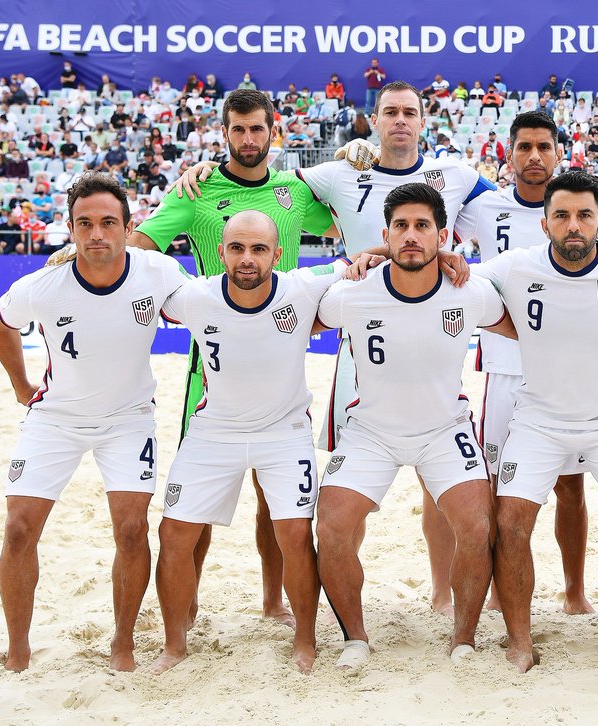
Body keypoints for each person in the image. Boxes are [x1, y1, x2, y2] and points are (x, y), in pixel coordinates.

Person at [172, 80, 495, 616]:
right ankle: (343, 603)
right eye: (389, 112)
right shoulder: (339, 171)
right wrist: (201, 172)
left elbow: (514, 208)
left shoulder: (456, 174)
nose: (399, 121)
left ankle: (442, 592)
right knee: (346, 493)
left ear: (423, 119)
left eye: (409, 113)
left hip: (433, 336)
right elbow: (263, 183)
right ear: (376, 117)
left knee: (439, 479)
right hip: (360, 340)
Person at [123, 89, 337, 629]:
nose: (247, 139)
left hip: (282, 360)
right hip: (211, 366)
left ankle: (273, 603)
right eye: (237, 130)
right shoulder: (196, 193)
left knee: (277, 501)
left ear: (274, 132)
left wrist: (351, 161)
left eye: (256, 129)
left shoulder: (292, 190)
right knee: (194, 505)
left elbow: (343, 221)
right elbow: (138, 247)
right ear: (224, 133)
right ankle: (187, 609)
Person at [0, 173, 188, 672]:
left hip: (128, 419)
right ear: (71, 228)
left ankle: (123, 644)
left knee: (130, 530)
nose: (96, 234)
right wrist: (20, 384)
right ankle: (17, 650)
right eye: (85, 224)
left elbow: (208, 313)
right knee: (17, 530)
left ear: (127, 226)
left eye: (107, 223)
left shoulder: (157, 273)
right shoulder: (45, 285)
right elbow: (0, 319)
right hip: (56, 417)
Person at [477, 171, 598, 681]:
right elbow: (448, 275)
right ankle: (520, 642)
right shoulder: (513, 266)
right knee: (510, 524)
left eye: (584, 215)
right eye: (562, 216)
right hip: (537, 420)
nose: (574, 226)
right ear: (544, 223)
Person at [316, 184, 515, 669]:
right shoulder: (352, 294)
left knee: (477, 525)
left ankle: (463, 639)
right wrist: (357, 260)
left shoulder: (469, 291)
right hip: (372, 431)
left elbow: (523, 325)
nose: (411, 235)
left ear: (442, 236)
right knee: (332, 525)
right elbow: (296, 318)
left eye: (422, 226)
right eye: (400, 226)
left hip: (443, 428)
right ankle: (356, 638)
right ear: (384, 235)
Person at [150, 210, 348, 675]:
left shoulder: (301, 286)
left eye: (258, 249)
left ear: (277, 254)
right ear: (220, 253)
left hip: (284, 432)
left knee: (296, 534)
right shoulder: (194, 296)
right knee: (173, 533)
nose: (246, 258)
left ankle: (304, 638)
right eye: (236, 247)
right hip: (214, 431)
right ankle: (175, 644)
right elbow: (140, 268)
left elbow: (359, 260)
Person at [448, 112, 594, 614]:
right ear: (507, 153)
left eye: (544, 147)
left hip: (569, 370)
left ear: (559, 153)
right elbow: (431, 203)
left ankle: (574, 590)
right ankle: (496, 590)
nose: (535, 156)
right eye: (525, 147)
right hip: (505, 369)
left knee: (571, 487)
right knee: (497, 483)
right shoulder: (485, 207)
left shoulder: (580, 208)